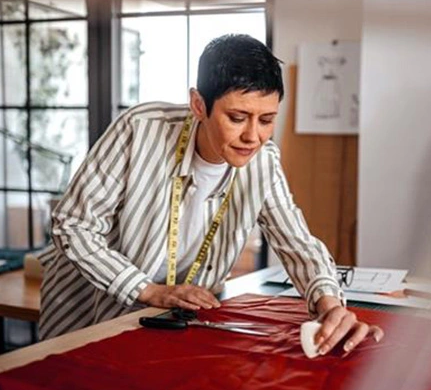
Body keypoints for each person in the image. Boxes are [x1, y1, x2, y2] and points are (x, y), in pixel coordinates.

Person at [38, 34, 383, 354]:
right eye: (237, 117)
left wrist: (330, 305)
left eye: (266, 120)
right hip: (89, 314)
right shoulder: (139, 129)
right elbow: (74, 225)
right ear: (199, 105)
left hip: (172, 321)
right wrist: (149, 290)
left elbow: (298, 244)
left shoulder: (263, 161)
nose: (253, 136)